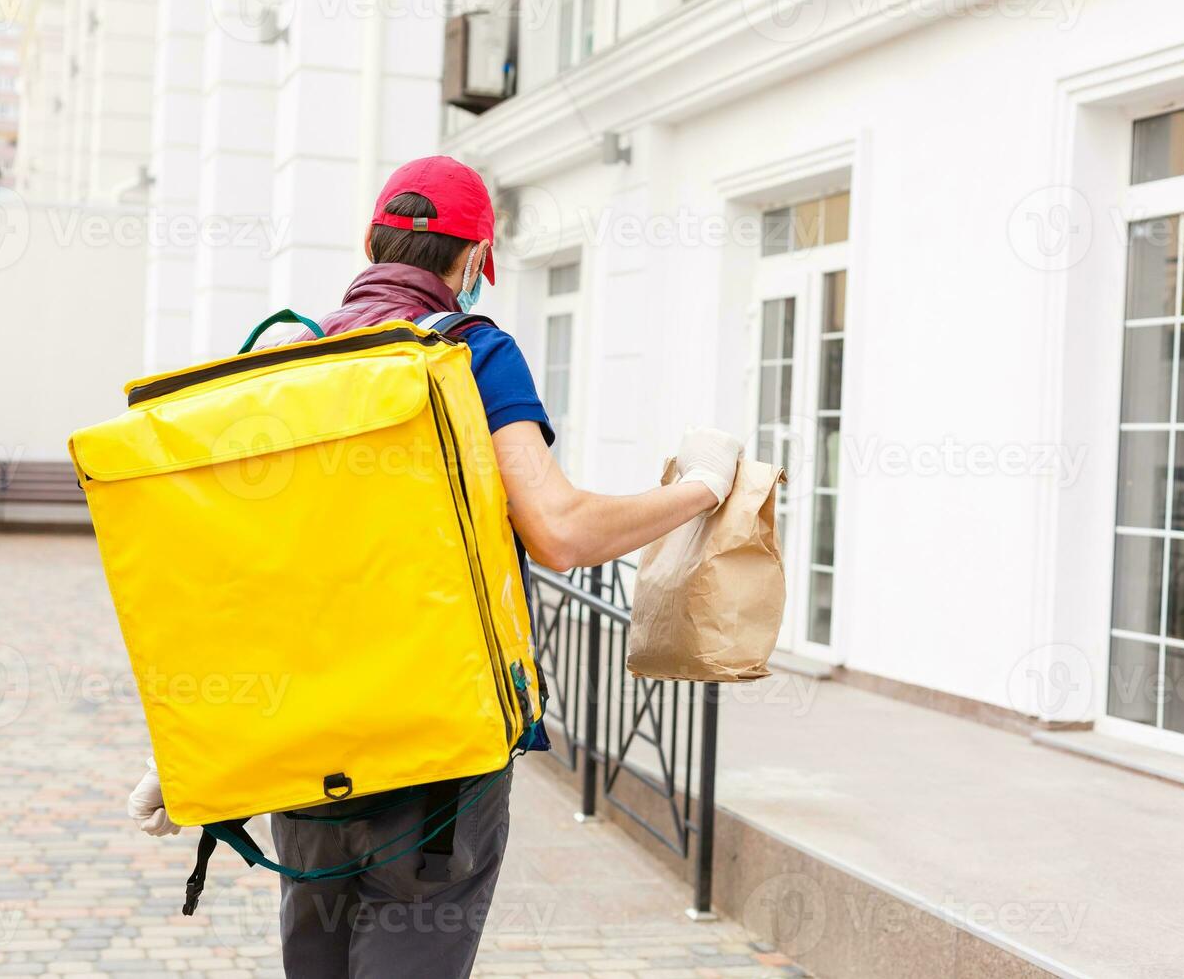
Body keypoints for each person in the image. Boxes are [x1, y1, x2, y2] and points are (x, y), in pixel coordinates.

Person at [126, 155, 742, 978]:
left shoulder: (293, 365)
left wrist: (193, 750)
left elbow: (243, 579)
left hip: (306, 759)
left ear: (371, 244)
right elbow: (561, 531)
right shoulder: (470, 354)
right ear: (473, 263)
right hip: (435, 766)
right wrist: (700, 491)